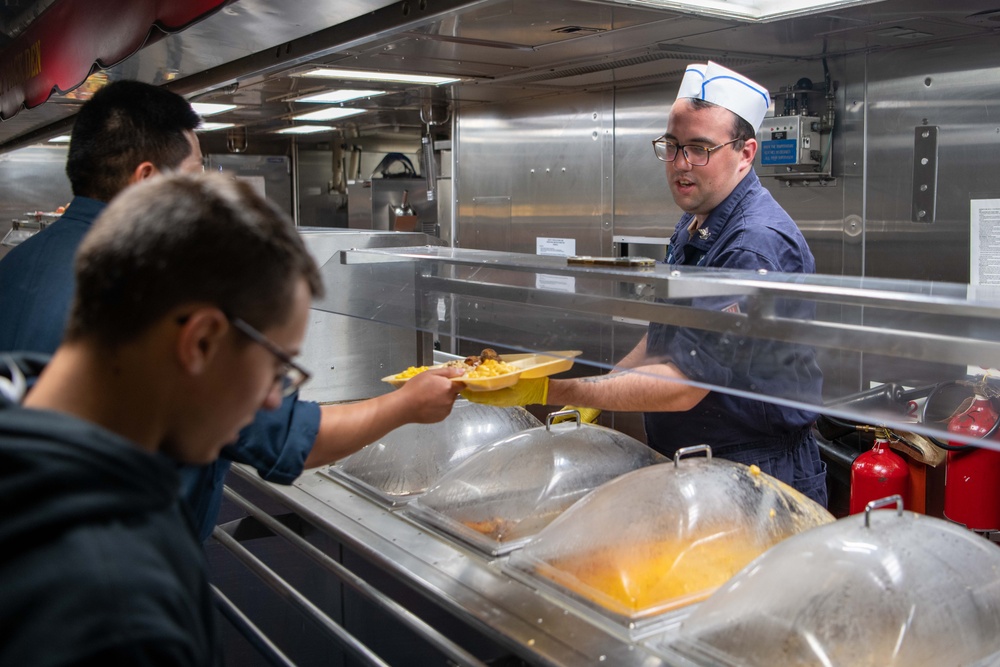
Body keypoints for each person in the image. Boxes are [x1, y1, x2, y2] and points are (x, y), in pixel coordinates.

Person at [0, 80, 464, 541]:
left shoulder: (15, 266)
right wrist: (406, 404)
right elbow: (285, 439)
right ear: (145, 181)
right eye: (195, 175)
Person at [465, 61, 827, 506]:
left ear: (746, 153)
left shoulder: (752, 245)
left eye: (699, 149)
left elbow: (683, 383)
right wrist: (601, 392)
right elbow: (667, 336)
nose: (680, 164)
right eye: (672, 145)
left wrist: (552, 388)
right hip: (699, 462)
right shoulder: (694, 223)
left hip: (756, 474)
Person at [0, 172, 324, 665]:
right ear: (200, 341)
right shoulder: (118, 605)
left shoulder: (20, 407)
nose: (273, 401)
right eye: (278, 367)